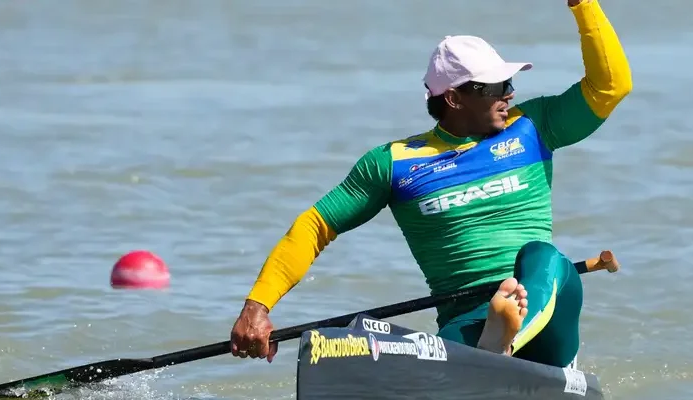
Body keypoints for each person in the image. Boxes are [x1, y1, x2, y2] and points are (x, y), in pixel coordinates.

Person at [230, 0, 631, 368]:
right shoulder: (394, 163)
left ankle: (502, 343)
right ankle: (484, 349)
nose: (509, 94)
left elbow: (612, 86)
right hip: (467, 319)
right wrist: (257, 306)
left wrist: (584, 4)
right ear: (455, 98)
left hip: (546, 312)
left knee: (545, 257)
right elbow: (315, 226)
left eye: (509, 83)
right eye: (495, 86)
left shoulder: (534, 126)